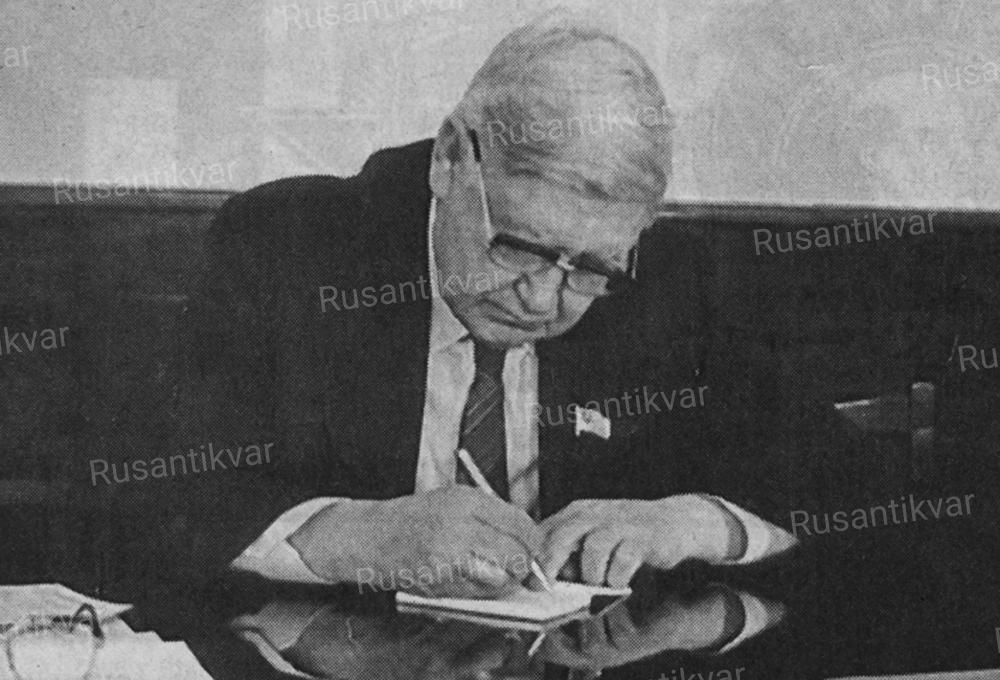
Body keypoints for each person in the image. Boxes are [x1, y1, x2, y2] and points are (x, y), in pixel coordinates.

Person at [108, 10, 797, 602]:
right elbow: (141, 496)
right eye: (518, 246)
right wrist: (352, 536)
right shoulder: (292, 246)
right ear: (448, 160)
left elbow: (834, 482)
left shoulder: (667, 281)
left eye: (589, 269)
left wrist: (697, 523)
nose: (542, 298)